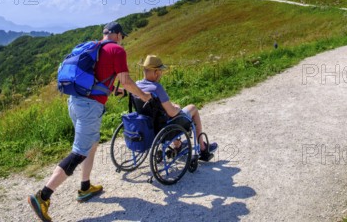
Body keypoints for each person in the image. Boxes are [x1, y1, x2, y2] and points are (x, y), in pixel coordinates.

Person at [28, 22, 152, 222]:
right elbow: (127, 81)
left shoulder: (93, 47)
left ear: (104, 34)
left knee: (92, 143)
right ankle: (43, 196)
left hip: (75, 102)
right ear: (119, 35)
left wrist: (115, 91)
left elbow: (96, 79)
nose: (122, 39)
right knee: (79, 152)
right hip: (89, 107)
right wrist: (144, 96)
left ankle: (85, 187)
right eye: (123, 36)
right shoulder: (117, 50)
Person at [136, 55, 218, 162]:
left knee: (169, 112)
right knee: (192, 108)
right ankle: (202, 148)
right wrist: (177, 108)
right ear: (156, 72)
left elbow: (158, 106)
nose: (161, 73)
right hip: (164, 127)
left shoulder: (137, 85)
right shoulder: (157, 87)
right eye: (160, 71)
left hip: (148, 126)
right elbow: (172, 112)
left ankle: (178, 145)